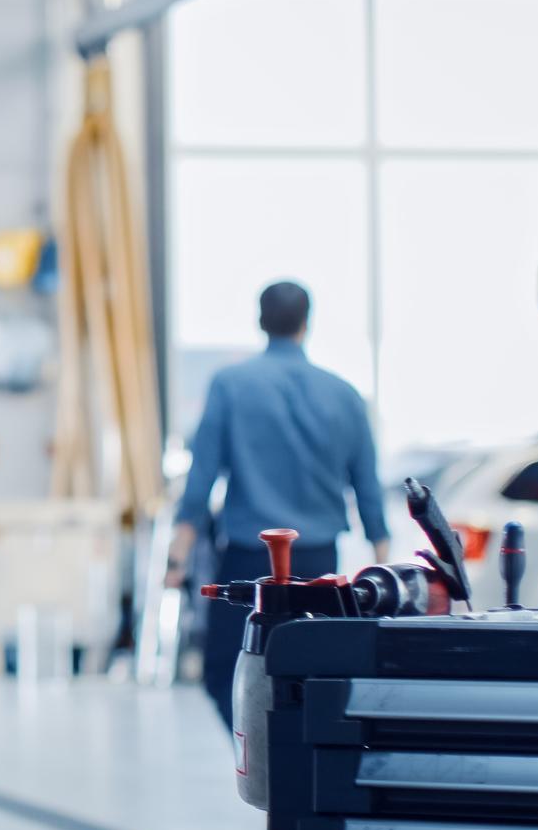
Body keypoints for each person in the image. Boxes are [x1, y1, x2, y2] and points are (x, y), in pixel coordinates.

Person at [167, 281, 390, 731]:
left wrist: (178, 556)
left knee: (222, 672)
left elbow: (202, 477)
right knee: (316, 673)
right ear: (307, 323)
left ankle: (262, 755)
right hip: (320, 566)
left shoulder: (230, 385)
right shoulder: (344, 395)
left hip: (249, 565)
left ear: (260, 321)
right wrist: (384, 562)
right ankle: (297, 757)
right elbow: (366, 485)